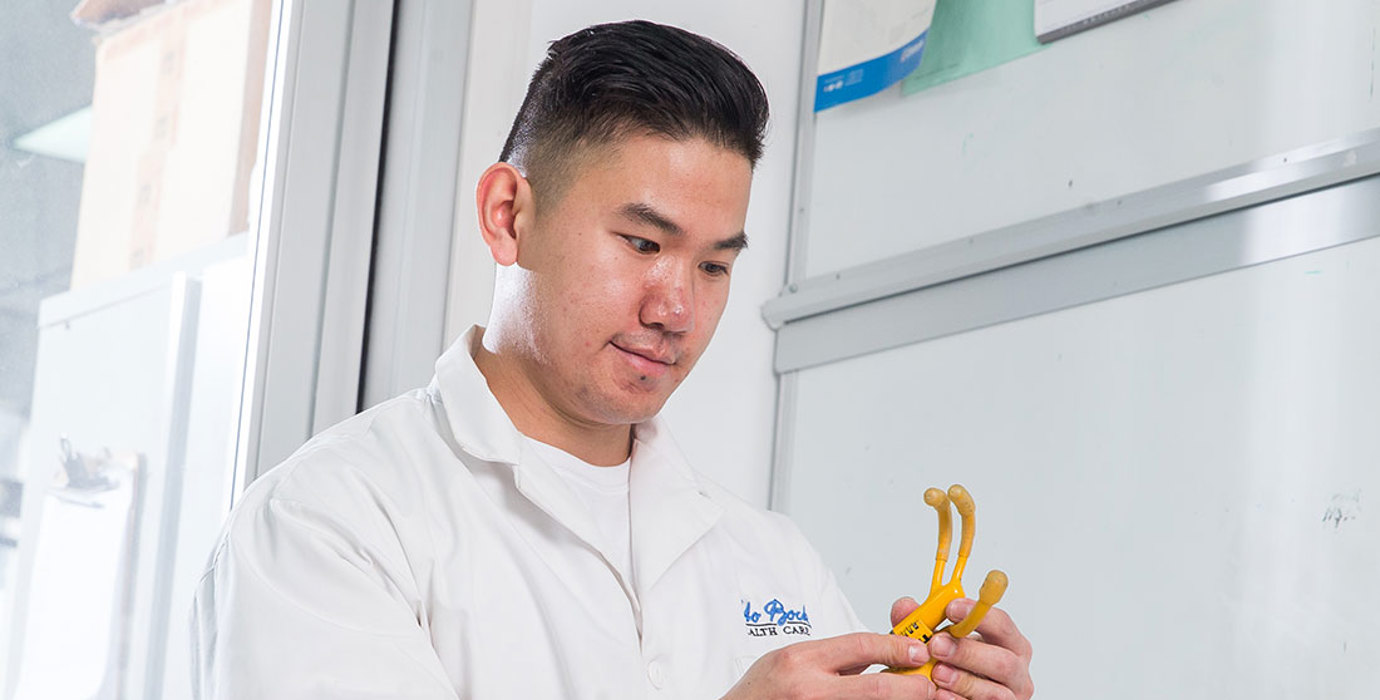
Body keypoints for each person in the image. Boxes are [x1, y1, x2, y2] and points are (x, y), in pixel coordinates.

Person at [191, 19, 1034, 700]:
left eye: (714, 265)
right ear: (507, 213)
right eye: (641, 242)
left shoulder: (773, 563)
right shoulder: (329, 526)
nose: (676, 309)